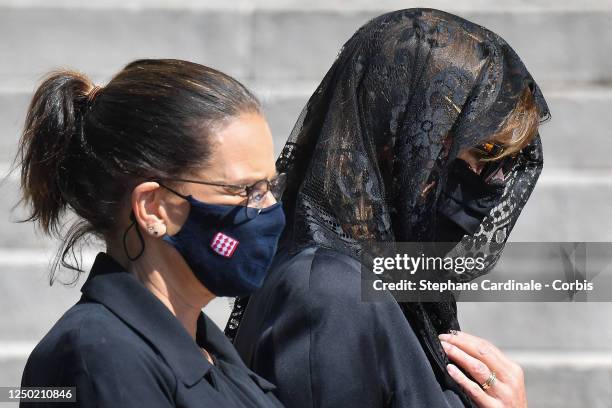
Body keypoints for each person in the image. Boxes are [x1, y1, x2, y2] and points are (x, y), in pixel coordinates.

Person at [226, 8, 550, 408]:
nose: (490, 180)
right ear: (398, 136)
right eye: (480, 150)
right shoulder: (326, 291)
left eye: (503, 162)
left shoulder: (380, 277)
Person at [17, 59, 287, 407]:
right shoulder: (99, 357)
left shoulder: (205, 348)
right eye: (243, 190)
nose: (268, 209)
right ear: (153, 207)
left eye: (269, 187)